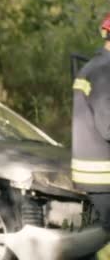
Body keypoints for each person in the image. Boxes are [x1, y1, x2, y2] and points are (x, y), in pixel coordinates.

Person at [71, 13, 110, 257]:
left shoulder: (94, 67)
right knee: (101, 240)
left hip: (93, 174)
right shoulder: (105, 71)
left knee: (95, 243)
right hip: (104, 175)